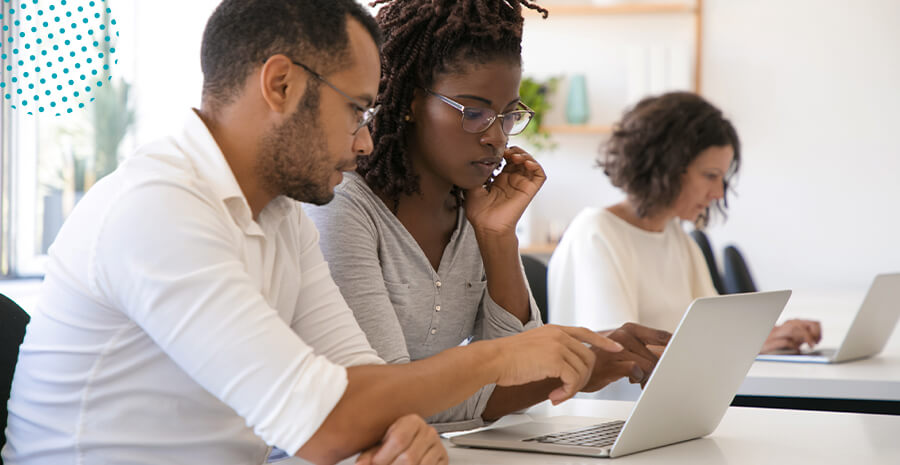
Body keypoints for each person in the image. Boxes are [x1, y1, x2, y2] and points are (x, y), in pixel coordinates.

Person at [2, 1, 627, 464]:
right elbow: (325, 421)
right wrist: (499, 355)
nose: (364, 141)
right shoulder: (157, 208)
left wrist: (394, 433)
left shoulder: (280, 216)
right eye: (357, 109)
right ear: (281, 85)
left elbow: (364, 386)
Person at [305, 0, 671, 433]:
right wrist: (579, 367)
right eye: (474, 113)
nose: (496, 138)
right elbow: (388, 402)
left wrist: (497, 235)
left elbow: (519, 371)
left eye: (508, 115)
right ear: (411, 102)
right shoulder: (343, 207)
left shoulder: (474, 209)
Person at [547, 91, 821, 355]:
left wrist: (774, 335)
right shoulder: (596, 233)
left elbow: (718, 331)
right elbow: (619, 354)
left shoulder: (675, 235)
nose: (718, 193)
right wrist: (747, 345)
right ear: (666, 167)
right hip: (617, 402)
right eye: (710, 176)